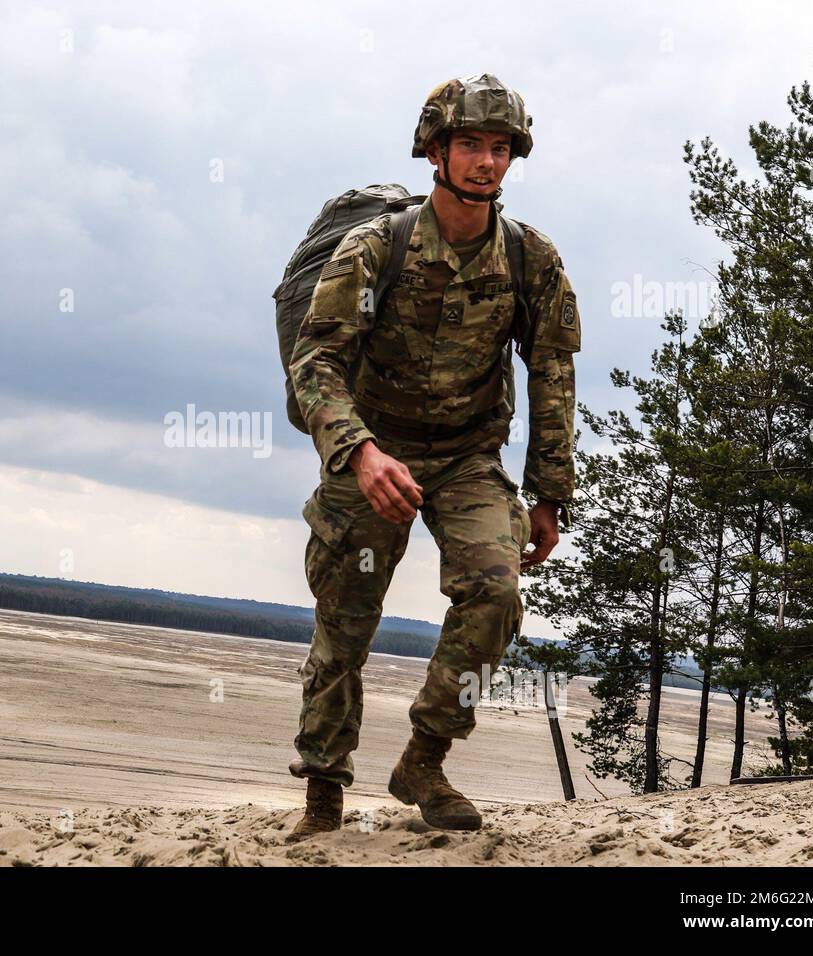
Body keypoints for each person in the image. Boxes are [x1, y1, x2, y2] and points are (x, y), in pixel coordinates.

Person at [285, 73, 580, 841]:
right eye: (470, 145)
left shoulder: (528, 259)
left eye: (499, 148)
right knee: (344, 623)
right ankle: (322, 789)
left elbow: (552, 373)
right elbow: (314, 364)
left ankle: (425, 758)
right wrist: (359, 454)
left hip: (467, 458)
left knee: (496, 591)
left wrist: (549, 494)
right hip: (374, 452)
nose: (487, 162)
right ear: (435, 152)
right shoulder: (375, 248)